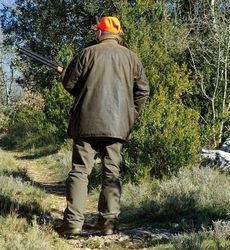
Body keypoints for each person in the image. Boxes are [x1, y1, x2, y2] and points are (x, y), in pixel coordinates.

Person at [57, 16, 150, 237]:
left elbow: (69, 83)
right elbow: (143, 91)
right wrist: (130, 115)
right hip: (118, 125)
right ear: (117, 34)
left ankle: (73, 224)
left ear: (100, 33)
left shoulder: (87, 53)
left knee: (80, 171)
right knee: (112, 173)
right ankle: (108, 224)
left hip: (86, 123)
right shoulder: (131, 58)